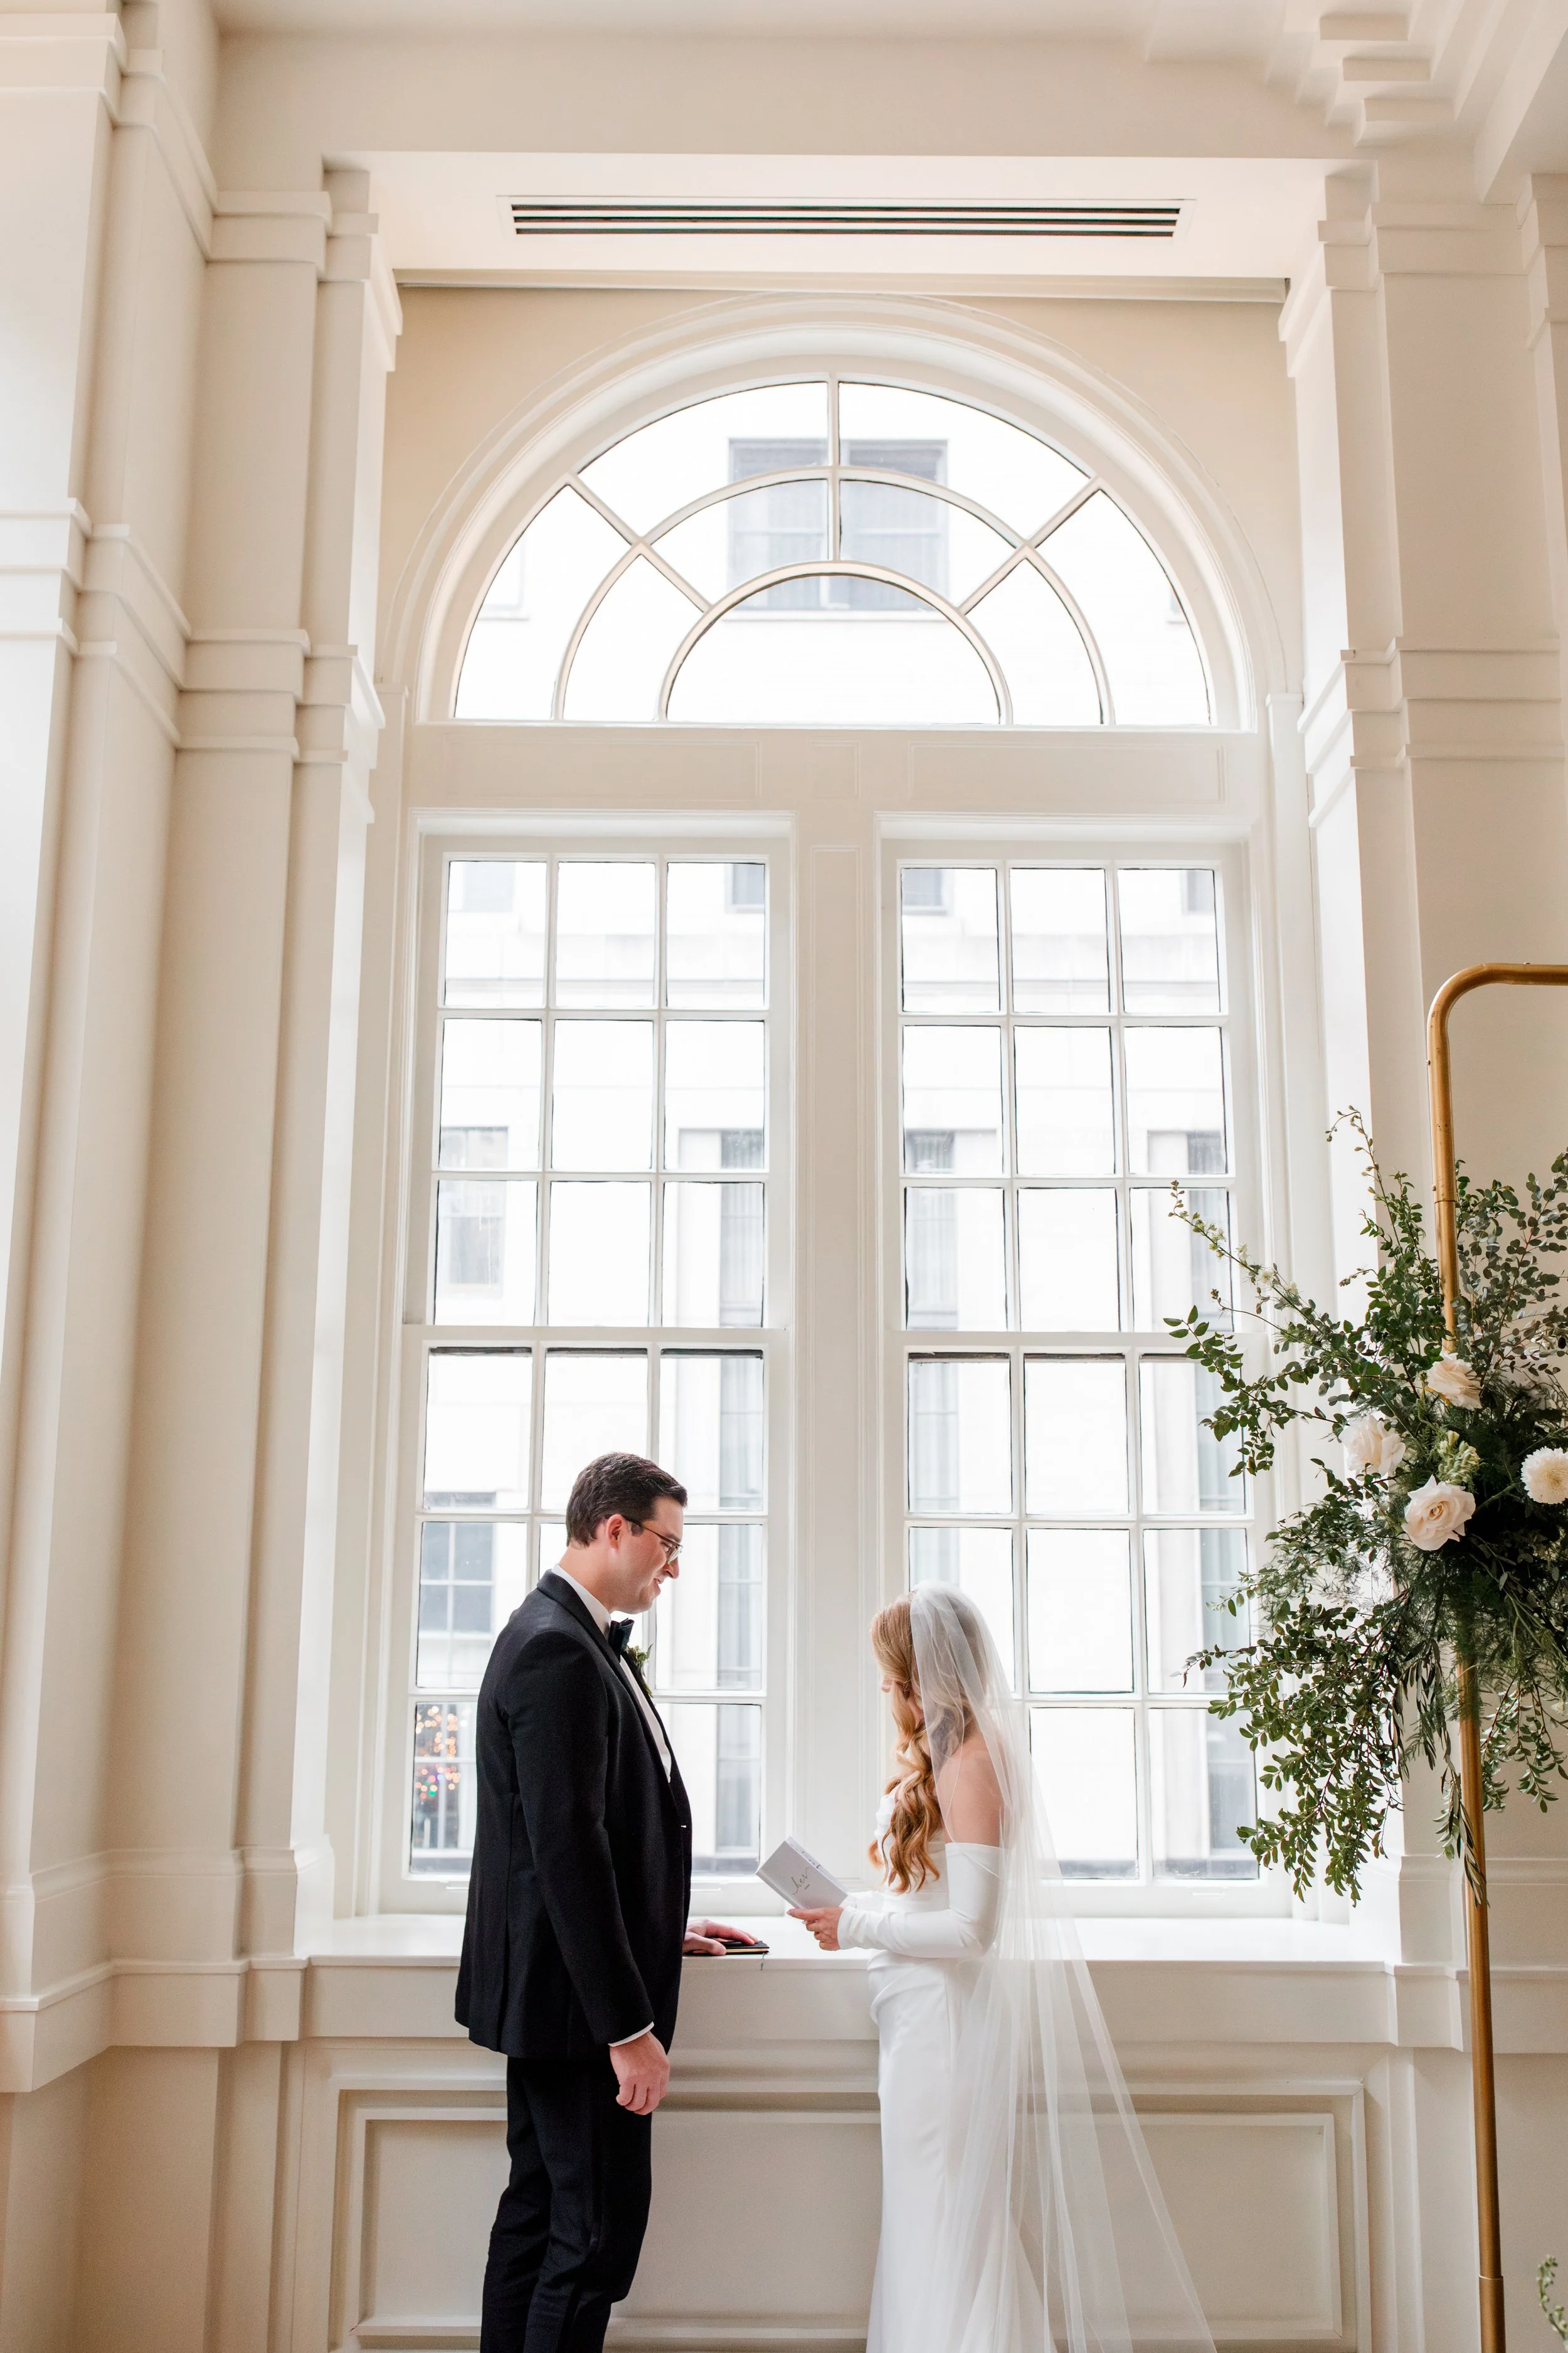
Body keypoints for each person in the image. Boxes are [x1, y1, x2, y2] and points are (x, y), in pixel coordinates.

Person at [792, 1586, 1214, 2353]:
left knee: (947, 2219)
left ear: (924, 1679)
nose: (884, 1689)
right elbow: (931, 1897)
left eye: (892, 1676)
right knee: (928, 2219)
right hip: (917, 2023)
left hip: (944, 2030)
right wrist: (851, 1907)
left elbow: (973, 1929)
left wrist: (853, 1925)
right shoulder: (952, 1757)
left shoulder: (973, 1765)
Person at [457, 1451, 762, 2353]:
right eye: (668, 1544)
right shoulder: (557, 1647)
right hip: (579, 2011)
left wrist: (663, 1925)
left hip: (561, 1993)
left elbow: (589, 1833)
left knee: (542, 2214)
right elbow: (566, 1849)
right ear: (614, 1527)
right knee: (590, 2240)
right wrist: (627, 2028)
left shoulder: (568, 1634)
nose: (676, 1566)